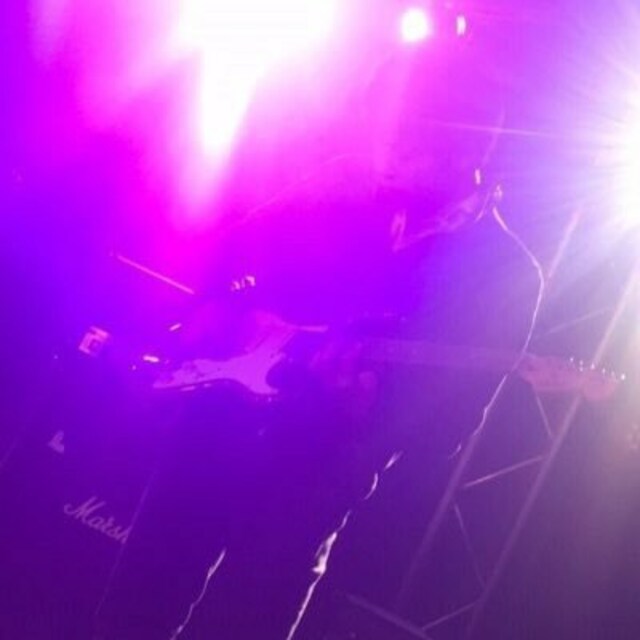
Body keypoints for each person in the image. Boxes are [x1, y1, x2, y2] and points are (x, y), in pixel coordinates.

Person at [93, 42, 542, 640]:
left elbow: (444, 429)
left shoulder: (502, 271)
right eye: (383, 121)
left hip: (311, 477)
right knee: (131, 612)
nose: (385, 145)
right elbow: (230, 251)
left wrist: (361, 403)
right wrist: (232, 314)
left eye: (407, 132)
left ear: (468, 146)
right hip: (215, 422)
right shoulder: (344, 183)